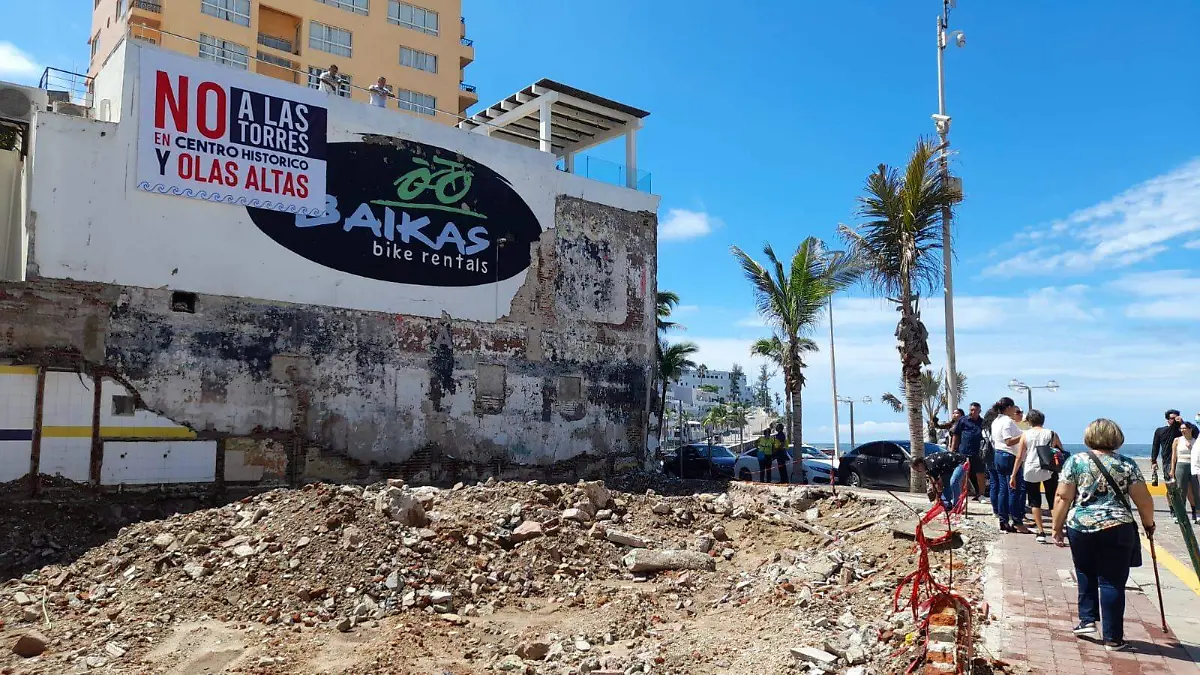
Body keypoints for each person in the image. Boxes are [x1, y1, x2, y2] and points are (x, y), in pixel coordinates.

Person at [1051, 419, 1155, 652]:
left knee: (1085, 571)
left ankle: (1087, 621)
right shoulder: (1127, 465)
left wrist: (1056, 528)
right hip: (1118, 526)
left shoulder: (1075, 462)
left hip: (1081, 526)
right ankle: (1113, 638)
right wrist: (1149, 524)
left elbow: (1062, 497)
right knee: (1112, 581)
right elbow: (1143, 499)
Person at [1010, 409, 1063, 543]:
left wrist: (1013, 475)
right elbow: (1060, 450)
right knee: (1052, 500)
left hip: (1030, 468)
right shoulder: (1051, 433)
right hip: (1048, 469)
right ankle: (1056, 530)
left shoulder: (1026, 435)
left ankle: (1040, 532)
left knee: (1034, 501)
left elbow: (1020, 456)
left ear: (1029, 421)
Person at [989, 397, 1029, 533]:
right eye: (1014, 407)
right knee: (1013, 490)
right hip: (1008, 456)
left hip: (998, 455)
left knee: (1002, 490)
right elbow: (1009, 441)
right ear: (1009, 408)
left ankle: (1003, 520)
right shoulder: (1007, 421)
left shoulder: (996, 421)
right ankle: (1017, 521)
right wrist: (1024, 435)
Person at [951, 403, 987, 501]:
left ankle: (981, 495)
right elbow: (956, 435)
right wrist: (953, 449)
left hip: (978, 453)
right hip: (964, 452)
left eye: (975, 410)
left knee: (980, 473)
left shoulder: (983, 422)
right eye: (971, 410)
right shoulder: (963, 420)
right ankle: (962, 495)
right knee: (963, 474)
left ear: (979, 411)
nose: (973, 412)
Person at [1170, 420, 1200, 524]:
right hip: (1181, 465)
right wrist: (1172, 470)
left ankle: (1197, 514)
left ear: (1190, 429)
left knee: (1196, 490)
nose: (1182, 430)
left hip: (1194, 466)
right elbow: (1174, 456)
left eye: (1184, 428)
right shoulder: (1177, 440)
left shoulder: (1196, 440)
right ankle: (1180, 515)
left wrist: (1192, 447)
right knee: (1181, 491)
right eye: (1181, 428)